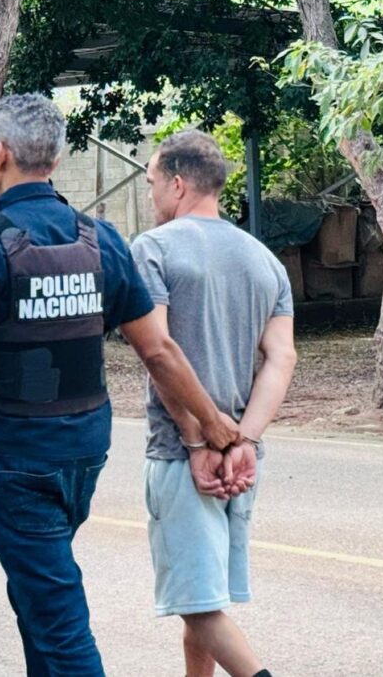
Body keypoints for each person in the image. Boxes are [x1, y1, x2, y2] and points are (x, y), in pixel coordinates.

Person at [0, 94, 240, 677]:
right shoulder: (101, 241)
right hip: (83, 451)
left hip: (19, 460)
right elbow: (159, 350)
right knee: (38, 596)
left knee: (57, 616)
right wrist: (217, 423)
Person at [131, 130, 297, 677]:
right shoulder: (264, 259)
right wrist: (244, 439)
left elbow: (159, 351)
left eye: (153, 181)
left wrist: (201, 437)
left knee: (195, 603)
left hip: (187, 454)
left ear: (177, 184)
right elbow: (281, 358)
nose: (152, 193)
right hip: (241, 457)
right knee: (204, 597)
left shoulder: (151, 249)